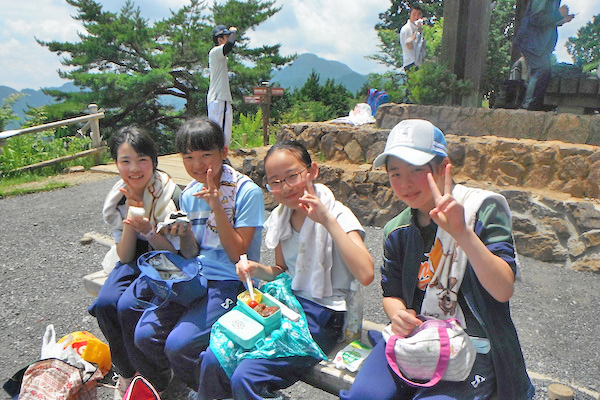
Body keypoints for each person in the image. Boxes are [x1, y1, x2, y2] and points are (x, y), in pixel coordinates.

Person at [339, 119, 535, 400]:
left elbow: (503, 289)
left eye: (416, 170)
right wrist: (398, 315)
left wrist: (462, 233)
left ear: (443, 167)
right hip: (417, 340)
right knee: (364, 395)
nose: (405, 183)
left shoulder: (482, 210)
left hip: (474, 348)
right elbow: (391, 294)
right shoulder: (397, 230)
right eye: (395, 173)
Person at [195, 140, 374, 399]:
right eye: (275, 181)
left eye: (292, 176)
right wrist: (256, 269)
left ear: (311, 172)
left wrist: (327, 221)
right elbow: (281, 270)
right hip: (282, 303)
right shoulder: (281, 216)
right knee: (216, 356)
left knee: (247, 376)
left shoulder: (338, 214)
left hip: (321, 316)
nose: (285, 187)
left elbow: (366, 273)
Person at [117, 117, 265, 391]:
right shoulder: (191, 193)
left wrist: (217, 206)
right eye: (188, 157)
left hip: (230, 282)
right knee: (145, 335)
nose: (197, 165)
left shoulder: (247, 192)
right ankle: (183, 385)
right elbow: (191, 252)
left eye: (206, 155)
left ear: (223, 152)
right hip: (193, 275)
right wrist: (184, 233)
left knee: (178, 344)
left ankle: (217, 392)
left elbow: (237, 254)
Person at [88, 126, 180, 398]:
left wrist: (149, 226)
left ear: (154, 160)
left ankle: (155, 379)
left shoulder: (169, 195)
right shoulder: (119, 196)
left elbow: (175, 254)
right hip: (135, 258)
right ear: (116, 164)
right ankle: (128, 375)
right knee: (106, 304)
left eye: (142, 160)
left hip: (167, 259)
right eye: (125, 161)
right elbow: (125, 255)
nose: (135, 168)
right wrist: (132, 214)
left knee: (129, 308)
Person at [514, 0, 574, 110]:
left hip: (539, 44)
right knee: (541, 70)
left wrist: (561, 20)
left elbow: (545, 21)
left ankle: (532, 107)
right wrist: (558, 14)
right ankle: (528, 108)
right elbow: (536, 19)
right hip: (532, 42)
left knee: (542, 71)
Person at [207, 25, 238, 146]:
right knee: (221, 137)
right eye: (226, 36)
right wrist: (233, 32)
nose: (228, 38)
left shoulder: (218, 55)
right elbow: (229, 46)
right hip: (219, 98)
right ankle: (221, 161)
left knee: (218, 136)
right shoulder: (216, 51)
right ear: (220, 40)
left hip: (218, 99)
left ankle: (219, 160)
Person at [399, 5, 426, 71]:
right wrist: (416, 32)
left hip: (419, 63)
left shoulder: (420, 29)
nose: (416, 17)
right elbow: (409, 45)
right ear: (410, 14)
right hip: (411, 63)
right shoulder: (407, 28)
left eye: (419, 14)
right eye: (414, 14)